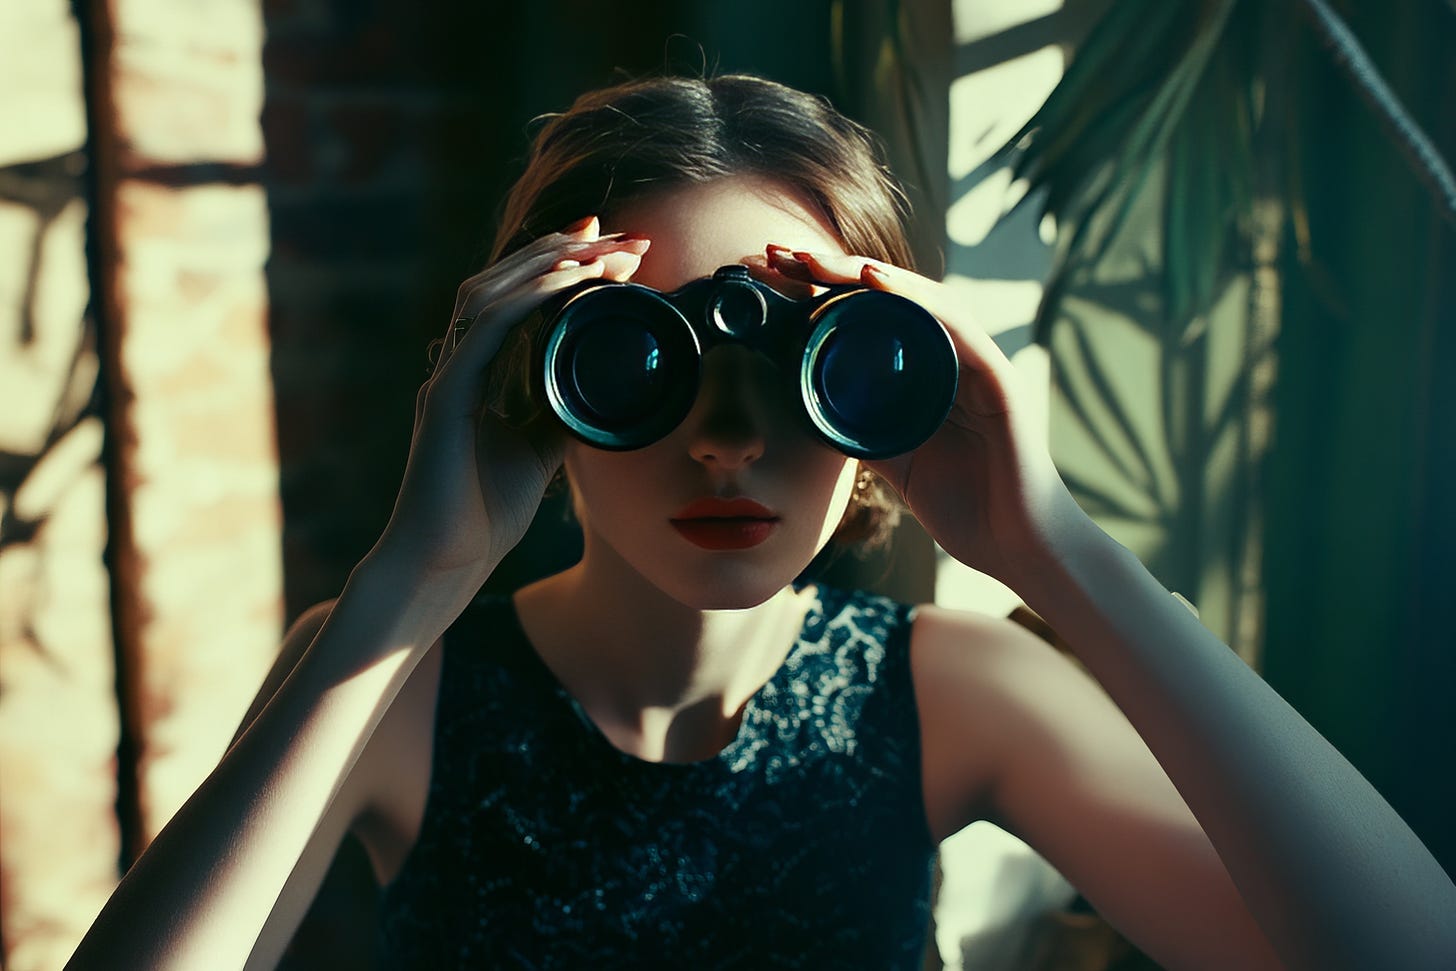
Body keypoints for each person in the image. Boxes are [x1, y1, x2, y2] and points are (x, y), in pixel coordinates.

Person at [66, 73, 1456, 971]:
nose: (727, 439)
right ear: (538, 386)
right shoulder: (395, 681)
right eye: (634, 365)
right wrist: (402, 589)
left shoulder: (954, 693)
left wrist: (1057, 549)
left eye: (810, 370)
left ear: (887, 401)